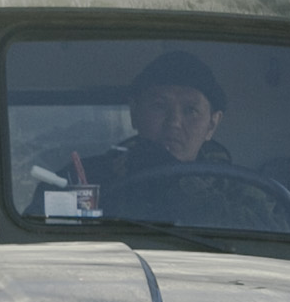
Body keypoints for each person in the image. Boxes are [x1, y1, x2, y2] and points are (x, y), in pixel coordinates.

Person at [76, 49, 236, 195]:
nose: (174, 122)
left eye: (190, 111)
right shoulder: (90, 178)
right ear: (134, 114)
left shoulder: (235, 190)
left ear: (212, 124)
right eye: (159, 106)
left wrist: (179, 183)